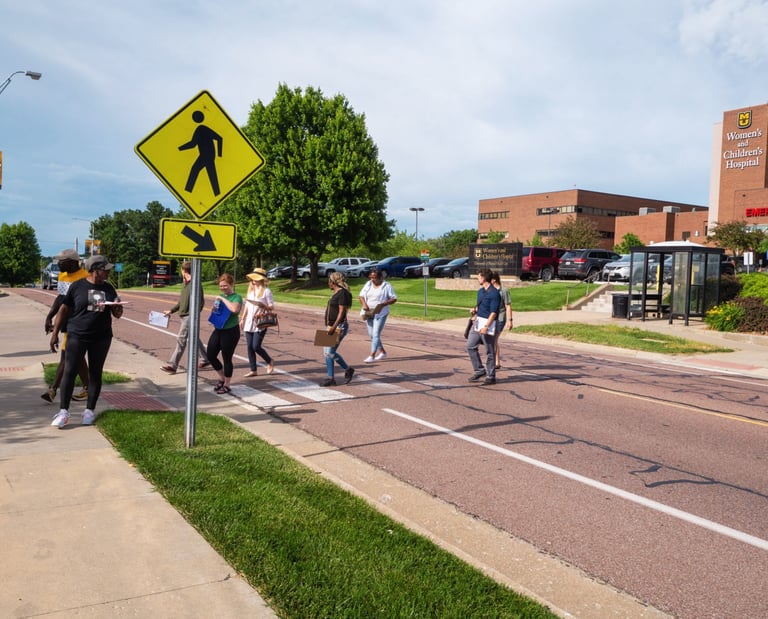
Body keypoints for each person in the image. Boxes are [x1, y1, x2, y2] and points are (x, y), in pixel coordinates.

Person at [49, 255, 124, 428]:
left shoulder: (108, 288)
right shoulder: (78, 286)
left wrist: (117, 308)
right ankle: (63, 412)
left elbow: (117, 314)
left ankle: (89, 411)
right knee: (69, 371)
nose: (108, 272)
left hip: (101, 337)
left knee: (95, 373)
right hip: (77, 335)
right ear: (96, 270)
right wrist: (55, 333)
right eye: (106, 269)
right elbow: (64, 309)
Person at [42, 248, 90, 403]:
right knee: (77, 356)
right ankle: (88, 388)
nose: (58, 264)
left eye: (62, 261)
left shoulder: (85, 277)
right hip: (67, 320)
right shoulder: (63, 276)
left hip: (80, 321)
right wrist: (50, 316)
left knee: (67, 355)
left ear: (72, 262)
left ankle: (53, 389)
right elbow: (61, 300)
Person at [160, 261, 210, 374]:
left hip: (189, 317)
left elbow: (201, 302)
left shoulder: (195, 284)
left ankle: (173, 365)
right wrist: (171, 311)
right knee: (194, 338)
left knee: (181, 339)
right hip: (184, 315)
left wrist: (194, 315)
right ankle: (206, 358)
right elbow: (181, 302)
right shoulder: (185, 284)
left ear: (183, 271)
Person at [206, 273, 242, 394]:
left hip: (231, 331)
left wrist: (222, 299)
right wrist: (214, 309)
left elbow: (234, 309)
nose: (222, 288)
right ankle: (221, 377)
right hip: (219, 329)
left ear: (231, 284)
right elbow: (215, 311)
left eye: (225, 286)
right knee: (210, 354)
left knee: (227, 358)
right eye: (221, 286)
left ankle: (227, 384)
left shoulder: (236, 297)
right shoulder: (220, 296)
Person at [466, 269, 501, 385]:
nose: (478, 279)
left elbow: (493, 313)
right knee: (470, 346)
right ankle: (479, 370)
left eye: (479, 277)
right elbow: (482, 307)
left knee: (489, 351)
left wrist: (487, 326)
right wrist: (475, 311)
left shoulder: (495, 294)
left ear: (484, 278)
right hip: (478, 323)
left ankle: (491, 376)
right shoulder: (480, 292)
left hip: (488, 325)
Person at [240, 267, 275, 377]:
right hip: (249, 321)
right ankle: (253, 369)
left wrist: (264, 306)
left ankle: (269, 361)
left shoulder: (266, 291)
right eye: (252, 278)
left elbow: (272, 307)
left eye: (256, 278)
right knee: (249, 347)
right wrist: (242, 318)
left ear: (261, 279)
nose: (253, 281)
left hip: (260, 322)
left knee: (256, 346)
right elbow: (247, 305)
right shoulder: (250, 290)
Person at [321, 272, 355, 387]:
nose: (328, 283)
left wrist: (334, 327)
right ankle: (330, 378)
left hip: (338, 326)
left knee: (330, 352)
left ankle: (348, 369)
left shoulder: (342, 293)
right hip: (330, 326)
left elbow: (341, 313)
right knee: (326, 353)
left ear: (333, 281)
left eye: (329, 281)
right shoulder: (335, 293)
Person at [358, 269, 397, 363]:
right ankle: (383, 352)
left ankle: (372, 355)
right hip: (368, 312)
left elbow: (394, 298)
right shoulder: (368, 284)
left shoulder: (386, 286)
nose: (372, 279)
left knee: (375, 334)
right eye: (371, 277)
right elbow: (361, 296)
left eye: (374, 278)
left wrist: (384, 303)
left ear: (380, 277)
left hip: (380, 313)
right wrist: (364, 305)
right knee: (371, 335)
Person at [490, 271, 513, 370]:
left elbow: (508, 306)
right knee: (492, 340)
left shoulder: (504, 291)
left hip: (500, 318)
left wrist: (510, 320)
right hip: (491, 319)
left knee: (494, 339)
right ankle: (496, 361)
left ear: (494, 280)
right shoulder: (489, 291)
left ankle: (495, 362)